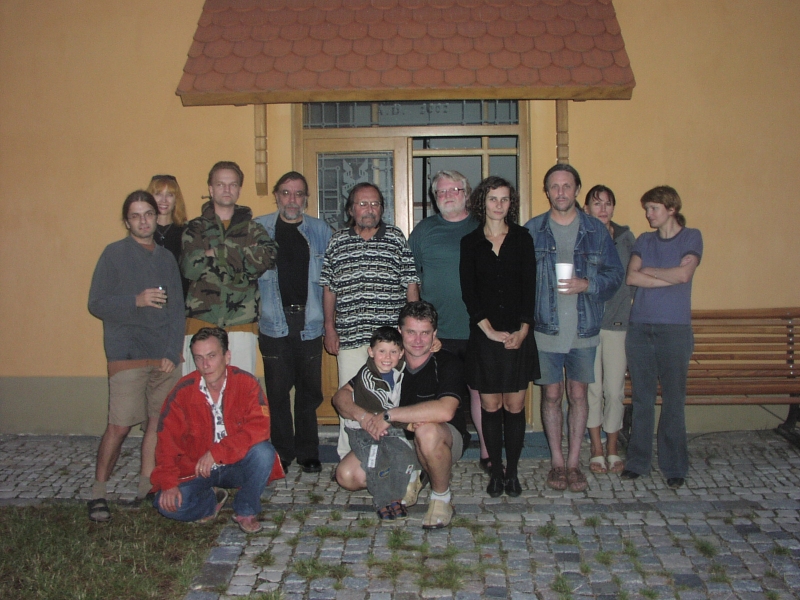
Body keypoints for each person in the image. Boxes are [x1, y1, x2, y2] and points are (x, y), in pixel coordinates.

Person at [524, 164, 624, 493]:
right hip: (545, 330)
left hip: (584, 329)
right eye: (555, 186)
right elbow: (519, 279)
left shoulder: (596, 230)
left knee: (578, 395)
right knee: (551, 395)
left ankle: (574, 463)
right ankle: (556, 462)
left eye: (567, 186)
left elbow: (615, 275)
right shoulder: (533, 230)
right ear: (547, 191)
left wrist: (588, 284)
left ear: (577, 189)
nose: (561, 192)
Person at [87, 190, 184, 522]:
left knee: (157, 424)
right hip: (127, 355)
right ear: (126, 221)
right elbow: (96, 303)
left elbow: (177, 310)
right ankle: (98, 492)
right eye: (136, 215)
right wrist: (136, 301)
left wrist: (172, 352)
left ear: (157, 217)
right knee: (119, 426)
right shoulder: (113, 254)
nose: (143, 221)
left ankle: (147, 486)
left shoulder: (166, 258)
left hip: (163, 358)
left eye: (148, 214)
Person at [334, 301, 469, 529]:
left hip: (441, 439)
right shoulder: (390, 361)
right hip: (396, 442)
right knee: (346, 475)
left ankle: (441, 498)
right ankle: (414, 474)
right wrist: (365, 417)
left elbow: (445, 410)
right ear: (400, 331)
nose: (418, 340)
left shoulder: (447, 362)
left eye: (425, 333)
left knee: (426, 430)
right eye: (411, 332)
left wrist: (389, 415)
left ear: (434, 334)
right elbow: (340, 397)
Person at [320, 182, 420, 457]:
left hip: (389, 341)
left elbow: (411, 284)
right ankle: (349, 456)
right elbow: (329, 288)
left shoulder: (396, 238)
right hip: (351, 336)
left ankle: (397, 456)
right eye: (363, 204)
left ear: (382, 209)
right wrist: (329, 327)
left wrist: (412, 331)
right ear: (351, 209)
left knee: (392, 398)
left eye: (375, 204)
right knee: (351, 399)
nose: (369, 209)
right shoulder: (337, 241)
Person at [151, 327, 284, 533]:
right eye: (199, 358)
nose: (205, 365)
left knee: (264, 453)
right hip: (196, 469)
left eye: (212, 356)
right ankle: (211, 500)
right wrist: (168, 483)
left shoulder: (246, 384)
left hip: (236, 464)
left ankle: (246, 509)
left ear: (227, 356)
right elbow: (167, 441)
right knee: (167, 505)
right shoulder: (183, 392)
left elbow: (259, 429)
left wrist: (217, 453)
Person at [459, 176, 539, 498]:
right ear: (483, 202)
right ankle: (495, 471)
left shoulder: (522, 239)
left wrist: (523, 331)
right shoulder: (470, 243)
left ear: (511, 204)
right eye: (493, 198)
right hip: (485, 335)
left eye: (505, 199)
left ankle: (513, 472)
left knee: (514, 406)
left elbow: (530, 288)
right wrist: (489, 330)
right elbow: (469, 293)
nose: (499, 205)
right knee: (490, 406)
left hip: (518, 333)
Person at [408, 170, 490, 472]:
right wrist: (416, 322)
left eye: (454, 189)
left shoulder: (483, 227)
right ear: (435, 197)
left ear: (466, 193)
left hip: (478, 328)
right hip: (437, 332)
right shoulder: (424, 230)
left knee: (480, 393)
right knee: (438, 394)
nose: (448, 195)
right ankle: (438, 450)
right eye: (441, 191)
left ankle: (487, 452)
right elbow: (411, 277)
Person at [621, 186, 702, 489]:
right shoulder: (644, 240)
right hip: (640, 328)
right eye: (647, 209)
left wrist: (651, 272)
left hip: (674, 330)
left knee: (673, 400)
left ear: (671, 208)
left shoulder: (691, 237)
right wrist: (668, 274)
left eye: (653, 208)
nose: (648, 214)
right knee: (642, 399)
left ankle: (674, 466)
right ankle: (637, 462)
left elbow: (684, 275)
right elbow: (632, 277)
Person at [254, 172, 332, 474]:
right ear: (276, 195)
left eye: (298, 194)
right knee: (277, 392)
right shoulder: (260, 228)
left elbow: (331, 279)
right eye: (286, 193)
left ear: (306, 199)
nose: (292, 200)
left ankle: (308, 452)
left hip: (309, 320)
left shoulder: (320, 230)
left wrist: (330, 322)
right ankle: (282, 452)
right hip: (273, 319)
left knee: (309, 392)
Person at [181, 161, 277, 375]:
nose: (226, 189)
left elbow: (267, 259)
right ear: (211, 189)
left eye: (232, 184)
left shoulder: (253, 229)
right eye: (220, 184)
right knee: (197, 391)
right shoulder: (195, 228)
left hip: (241, 322)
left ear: (239, 190)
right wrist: (242, 255)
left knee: (239, 389)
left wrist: (215, 252)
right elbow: (190, 268)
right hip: (200, 321)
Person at [583, 185, 636, 475]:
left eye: (608, 203)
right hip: (588, 325)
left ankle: (613, 447)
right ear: (586, 209)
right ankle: (596, 448)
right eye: (597, 203)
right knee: (592, 389)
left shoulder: (626, 239)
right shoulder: (581, 237)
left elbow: (634, 278)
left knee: (614, 391)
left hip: (618, 325)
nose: (603, 208)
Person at [339, 326, 419, 521]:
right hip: (364, 430)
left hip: (389, 428)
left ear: (401, 353)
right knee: (377, 461)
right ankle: (382, 501)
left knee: (403, 456)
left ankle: (396, 498)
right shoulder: (367, 377)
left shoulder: (401, 369)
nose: (387, 357)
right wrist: (406, 424)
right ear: (371, 352)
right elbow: (385, 407)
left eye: (393, 352)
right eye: (382, 351)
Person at [146, 174, 190, 299]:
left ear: (176, 199)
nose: (164, 200)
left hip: (180, 301)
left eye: (170, 195)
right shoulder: (143, 233)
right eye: (158, 194)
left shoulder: (187, 232)